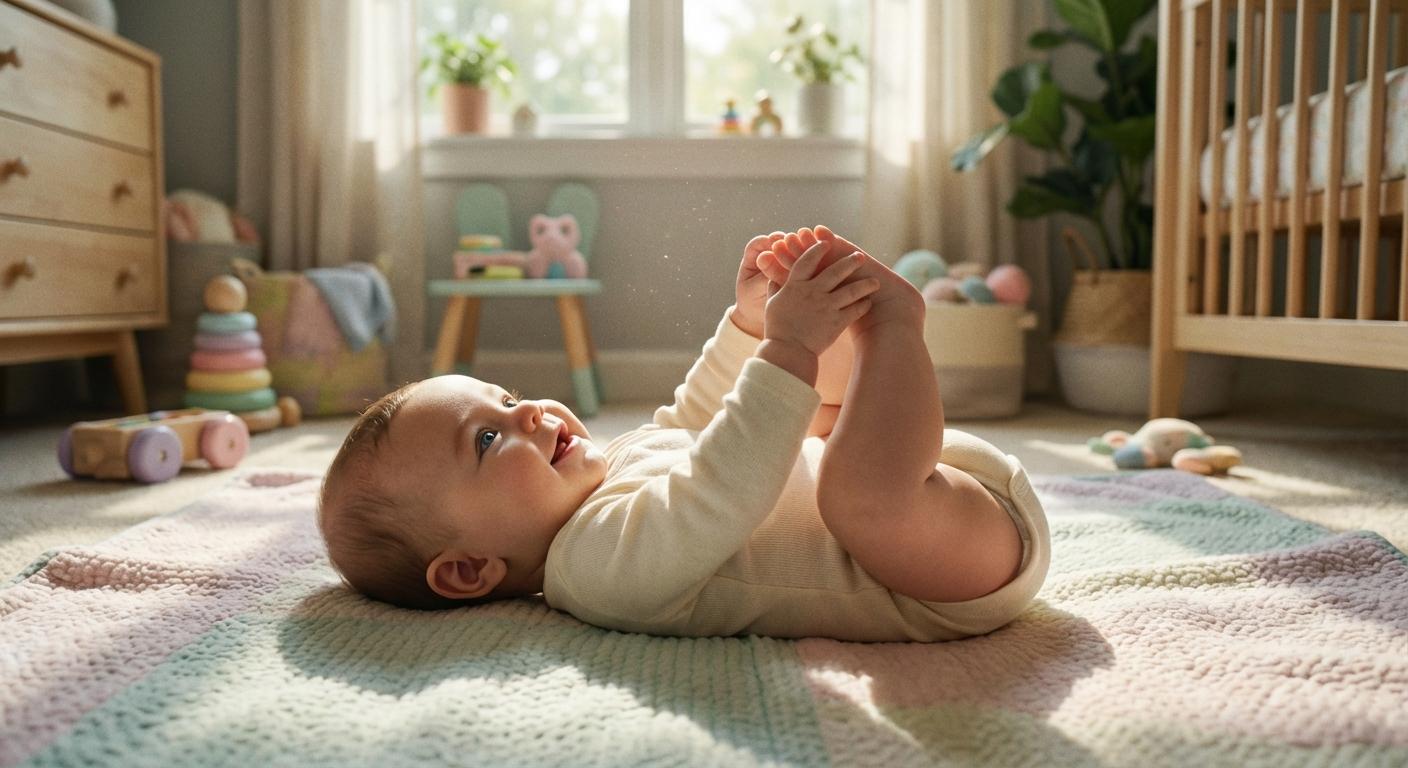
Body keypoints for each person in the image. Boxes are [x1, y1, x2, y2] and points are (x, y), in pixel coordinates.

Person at [317, 226, 1050, 642]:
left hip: (941, 496)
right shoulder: (596, 572)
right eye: (486, 440)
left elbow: (695, 422)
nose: (529, 413)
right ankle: (892, 323)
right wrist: (786, 352)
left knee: (807, 415)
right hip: (948, 572)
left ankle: (858, 330)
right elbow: (720, 491)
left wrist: (751, 325)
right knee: (847, 487)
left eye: (506, 397)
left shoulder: (614, 470)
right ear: (470, 569)